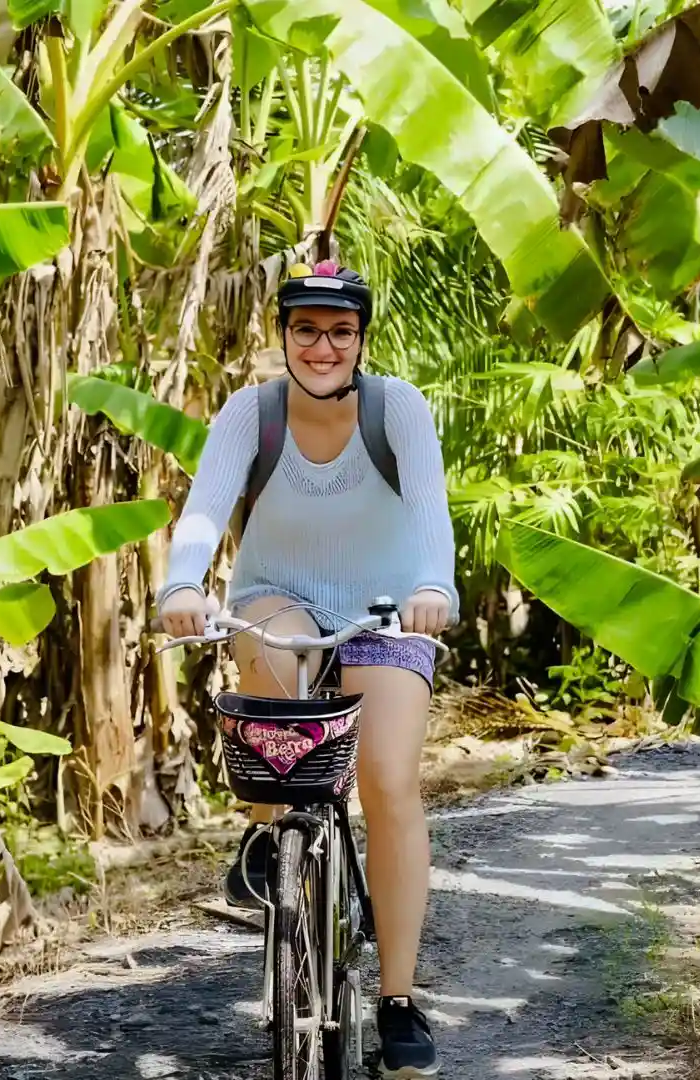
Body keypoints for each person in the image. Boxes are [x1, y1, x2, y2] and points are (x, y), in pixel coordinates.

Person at [155, 259, 455, 1078]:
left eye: (340, 331)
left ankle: (396, 1000)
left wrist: (434, 587)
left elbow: (429, 508)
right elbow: (206, 510)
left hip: (389, 605)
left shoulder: (399, 411)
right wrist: (182, 582)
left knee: (387, 779)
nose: (322, 347)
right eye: (306, 330)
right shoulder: (251, 415)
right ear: (284, 335)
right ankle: (268, 831)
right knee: (274, 696)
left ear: (361, 340)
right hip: (278, 595)